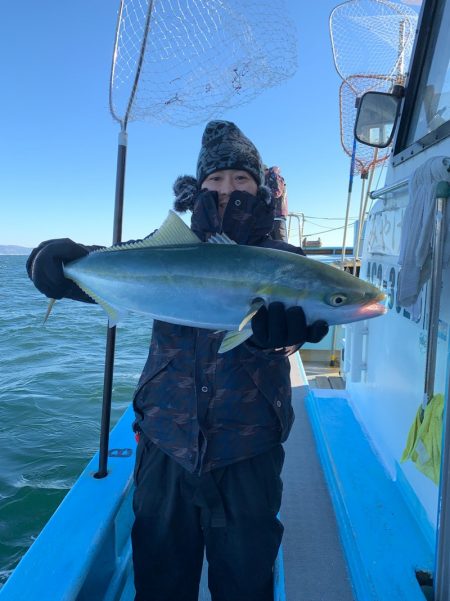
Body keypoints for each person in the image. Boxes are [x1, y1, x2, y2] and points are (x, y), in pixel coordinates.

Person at [26, 120, 328, 601]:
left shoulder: (282, 259)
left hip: (247, 447)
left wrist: (286, 338)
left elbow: (293, 335)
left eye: (241, 179)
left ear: (260, 188)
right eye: (216, 179)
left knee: (246, 581)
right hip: (166, 441)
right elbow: (115, 269)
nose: (228, 189)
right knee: (161, 579)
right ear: (198, 188)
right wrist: (53, 262)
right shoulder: (167, 246)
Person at [264, 165, 289, 242]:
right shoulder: (267, 179)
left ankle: (285, 254)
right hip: (271, 216)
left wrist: (263, 194)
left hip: (278, 216)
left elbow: (277, 192)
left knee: (281, 241)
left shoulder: (274, 177)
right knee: (272, 242)